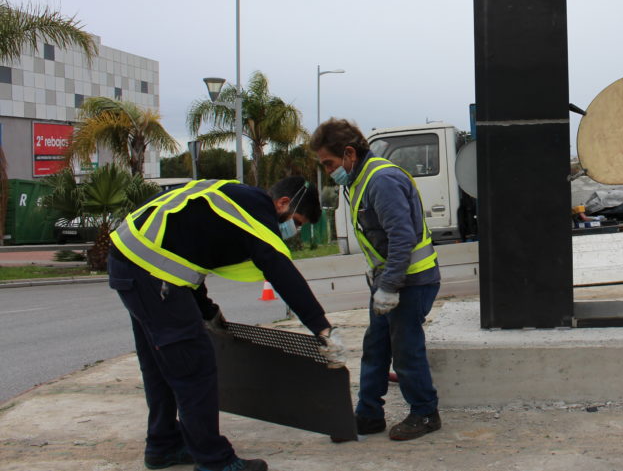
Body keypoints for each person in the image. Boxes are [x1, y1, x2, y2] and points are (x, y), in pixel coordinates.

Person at [108, 176, 345, 471]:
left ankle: (163, 444)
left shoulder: (235, 197)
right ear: (283, 203)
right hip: (150, 271)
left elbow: (189, 256)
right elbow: (277, 267)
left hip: (135, 261)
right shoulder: (256, 208)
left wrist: (208, 312)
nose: (293, 231)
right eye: (296, 222)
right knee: (194, 364)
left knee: (159, 364)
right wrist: (321, 327)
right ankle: (214, 460)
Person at [310, 118, 442, 441]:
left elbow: (401, 237)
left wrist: (389, 287)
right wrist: (382, 285)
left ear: (349, 154)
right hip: (390, 281)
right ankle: (368, 414)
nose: (329, 171)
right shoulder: (359, 180)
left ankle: (425, 413)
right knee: (376, 346)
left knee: (405, 347)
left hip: (410, 281)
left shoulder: (380, 180)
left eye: (329, 163)